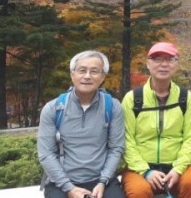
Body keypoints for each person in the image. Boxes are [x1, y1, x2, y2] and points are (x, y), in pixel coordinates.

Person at [121, 42, 191, 198]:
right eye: (158, 59)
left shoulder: (186, 98)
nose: (164, 64)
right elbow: (126, 140)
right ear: (148, 64)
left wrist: (178, 169)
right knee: (139, 191)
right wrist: (145, 171)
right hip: (140, 167)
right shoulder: (133, 98)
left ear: (176, 64)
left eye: (169, 59)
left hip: (177, 164)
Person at [37, 51, 125, 198]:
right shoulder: (54, 108)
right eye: (82, 70)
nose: (87, 76)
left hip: (102, 180)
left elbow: (116, 148)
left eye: (94, 71)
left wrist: (103, 181)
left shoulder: (112, 106)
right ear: (72, 74)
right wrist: (69, 188)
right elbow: (46, 154)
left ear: (103, 77)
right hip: (62, 182)